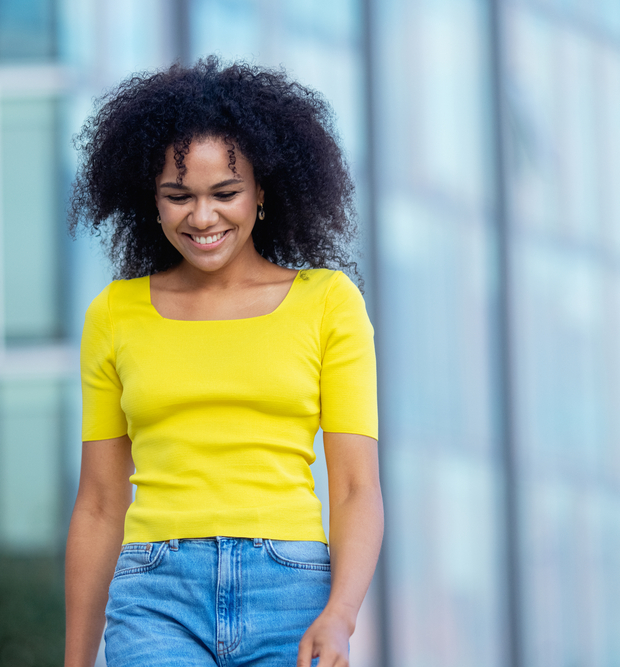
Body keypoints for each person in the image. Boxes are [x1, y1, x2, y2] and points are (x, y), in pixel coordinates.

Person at [65, 57, 383, 667]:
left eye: (225, 193)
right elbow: (100, 503)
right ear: (151, 202)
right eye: (178, 196)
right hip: (156, 596)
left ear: (262, 191)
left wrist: (339, 618)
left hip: (291, 592)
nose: (203, 217)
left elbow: (354, 487)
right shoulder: (114, 314)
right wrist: (76, 661)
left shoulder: (328, 303)